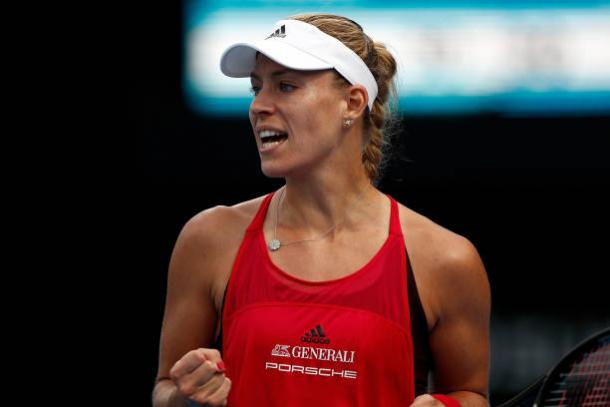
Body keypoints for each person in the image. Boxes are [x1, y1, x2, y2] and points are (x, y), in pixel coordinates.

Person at [152, 13, 490, 407]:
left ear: (352, 102)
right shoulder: (209, 238)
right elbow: (165, 389)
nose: (259, 105)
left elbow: (470, 394)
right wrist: (184, 398)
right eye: (256, 87)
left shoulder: (446, 260)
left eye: (286, 86)